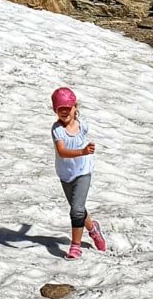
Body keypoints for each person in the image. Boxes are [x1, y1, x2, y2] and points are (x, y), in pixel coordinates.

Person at [50, 86, 107, 260]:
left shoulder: (83, 126)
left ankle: (75, 247)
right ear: (55, 110)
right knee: (79, 209)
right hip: (66, 174)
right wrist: (82, 151)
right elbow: (62, 151)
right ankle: (93, 228)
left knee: (76, 210)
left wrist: (87, 151)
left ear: (76, 107)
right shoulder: (57, 130)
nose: (65, 113)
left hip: (83, 171)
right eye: (61, 110)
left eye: (69, 109)